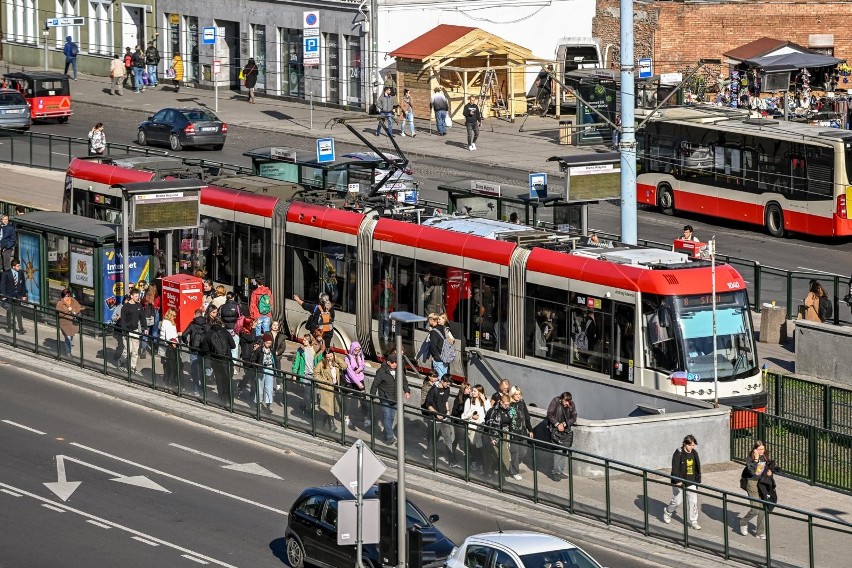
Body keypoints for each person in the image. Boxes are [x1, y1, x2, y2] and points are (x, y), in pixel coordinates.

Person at [370, 349, 410, 444]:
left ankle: (385, 434)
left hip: (395, 397)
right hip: (385, 398)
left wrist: (407, 391)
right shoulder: (381, 372)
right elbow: (375, 384)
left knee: (391, 418)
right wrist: (372, 395)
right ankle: (389, 437)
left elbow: (404, 381)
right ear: (388, 362)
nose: (395, 364)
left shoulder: (399, 370)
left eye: (396, 362)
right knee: (387, 417)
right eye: (393, 363)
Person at [662, 434, 703, 530]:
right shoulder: (678, 453)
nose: (692, 447)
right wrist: (677, 481)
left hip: (691, 480)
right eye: (690, 445)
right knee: (677, 501)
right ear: (685, 444)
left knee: (693, 502)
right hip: (680, 481)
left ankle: (694, 521)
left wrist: (697, 481)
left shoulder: (694, 453)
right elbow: (675, 467)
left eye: (693, 445)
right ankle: (668, 511)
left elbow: (697, 468)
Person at [739, 440, 774, 539]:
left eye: (763, 449)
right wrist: (756, 460)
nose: (762, 451)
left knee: (763, 509)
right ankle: (744, 521)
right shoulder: (750, 458)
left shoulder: (765, 457)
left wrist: (770, 471)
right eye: (759, 449)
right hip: (752, 484)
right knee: (755, 509)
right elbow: (753, 472)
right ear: (755, 449)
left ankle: (760, 532)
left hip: (762, 484)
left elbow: (769, 468)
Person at [424, 373, 457, 467]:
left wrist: (448, 411)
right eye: (447, 383)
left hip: (445, 418)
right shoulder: (433, 390)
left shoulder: (447, 389)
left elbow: (446, 400)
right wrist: (437, 414)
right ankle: (431, 459)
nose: (448, 386)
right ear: (442, 381)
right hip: (435, 419)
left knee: (448, 439)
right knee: (433, 440)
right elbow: (428, 405)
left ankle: (451, 461)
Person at [202, 316, 237, 404]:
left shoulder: (208, 334)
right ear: (221, 323)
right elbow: (233, 345)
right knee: (228, 380)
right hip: (227, 360)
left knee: (219, 381)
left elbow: (205, 350)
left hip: (216, 361)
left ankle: (222, 401)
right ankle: (231, 402)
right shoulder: (225, 332)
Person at [546, 391, 577, 481]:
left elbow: (574, 417)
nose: (567, 403)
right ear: (561, 399)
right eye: (565, 401)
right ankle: (555, 472)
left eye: (568, 401)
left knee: (564, 450)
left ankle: (560, 471)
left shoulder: (571, 404)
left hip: (566, 430)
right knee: (557, 451)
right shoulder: (555, 401)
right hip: (556, 431)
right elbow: (550, 413)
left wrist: (564, 424)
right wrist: (557, 424)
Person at [462, 384, 490, 473]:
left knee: (481, 447)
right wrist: (472, 415)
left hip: (482, 427)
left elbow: (489, 413)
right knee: (474, 446)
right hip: (473, 427)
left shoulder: (485, 401)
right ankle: (476, 463)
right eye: (472, 391)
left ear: (480, 393)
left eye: (474, 391)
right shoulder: (469, 401)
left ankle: (480, 464)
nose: (472, 392)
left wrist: (484, 401)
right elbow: (463, 416)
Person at [507, 386, 533, 480]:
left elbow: (526, 417)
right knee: (515, 453)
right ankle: (515, 472)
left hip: (522, 431)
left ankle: (512, 466)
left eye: (519, 394)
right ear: (512, 394)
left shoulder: (522, 402)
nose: (518, 396)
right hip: (513, 432)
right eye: (516, 394)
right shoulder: (509, 404)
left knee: (523, 452)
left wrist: (530, 429)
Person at [182, 308, 210, 394]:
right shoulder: (207, 324)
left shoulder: (192, 324)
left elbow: (184, 334)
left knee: (194, 369)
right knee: (202, 368)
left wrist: (186, 342)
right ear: (202, 315)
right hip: (203, 350)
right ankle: (203, 388)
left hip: (194, 349)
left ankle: (195, 389)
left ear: (195, 315)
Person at [116, 287, 143, 373]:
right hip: (127, 331)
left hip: (135, 331)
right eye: (135, 296)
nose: (137, 298)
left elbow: (142, 317)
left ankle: (133, 367)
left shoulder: (139, 305)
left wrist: (145, 327)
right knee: (128, 350)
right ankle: (121, 361)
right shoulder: (125, 307)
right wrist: (125, 331)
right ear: (131, 296)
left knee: (135, 350)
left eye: (138, 296)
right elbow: (123, 320)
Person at [314, 350, 343, 431]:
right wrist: (324, 383)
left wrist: (336, 358)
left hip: (336, 386)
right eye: (327, 357)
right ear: (324, 357)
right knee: (329, 406)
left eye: (331, 356)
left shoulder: (335, 362)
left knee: (333, 405)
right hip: (327, 388)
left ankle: (324, 423)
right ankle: (332, 424)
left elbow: (345, 366)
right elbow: (316, 375)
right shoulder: (321, 364)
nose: (329, 358)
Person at [343, 341, 368, 430]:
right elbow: (350, 372)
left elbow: (362, 365)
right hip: (351, 382)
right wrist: (358, 383)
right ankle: (346, 417)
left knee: (363, 400)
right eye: (355, 350)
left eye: (358, 350)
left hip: (360, 379)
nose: (357, 352)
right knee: (348, 400)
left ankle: (365, 418)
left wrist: (359, 369)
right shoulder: (347, 358)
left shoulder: (360, 355)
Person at [251, 333, 277, 413]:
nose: (268, 345)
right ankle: (258, 404)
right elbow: (253, 360)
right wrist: (257, 368)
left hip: (270, 368)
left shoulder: (272, 350)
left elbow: (275, 361)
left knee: (269, 388)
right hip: (261, 370)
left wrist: (276, 371)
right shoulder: (259, 350)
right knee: (260, 387)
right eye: (267, 343)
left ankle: (268, 405)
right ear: (264, 342)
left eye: (270, 343)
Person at [55, 289, 83, 356]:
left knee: (70, 337)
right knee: (68, 338)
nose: (67, 297)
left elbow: (79, 307)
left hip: (72, 323)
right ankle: (68, 352)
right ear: (63, 296)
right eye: (65, 296)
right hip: (64, 323)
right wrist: (68, 310)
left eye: (68, 295)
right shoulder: (60, 303)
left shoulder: (73, 300)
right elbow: (59, 313)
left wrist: (74, 311)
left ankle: (69, 349)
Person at [158, 308, 180, 387]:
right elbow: (168, 337)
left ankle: (168, 382)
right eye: (174, 316)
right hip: (168, 348)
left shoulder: (170, 322)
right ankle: (168, 383)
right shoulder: (167, 323)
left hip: (170, 346)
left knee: (169, 366)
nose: (175, 317)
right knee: (168, 367)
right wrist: (174, 342)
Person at [138, 284, 160, 358]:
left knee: (145, 333)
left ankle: (143, 351)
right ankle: (154, 349)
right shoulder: (157, 297)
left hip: (146, 316)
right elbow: (159, 307)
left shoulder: (145, 297)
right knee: (155, 332)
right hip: (155, 315)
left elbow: (141, 305)